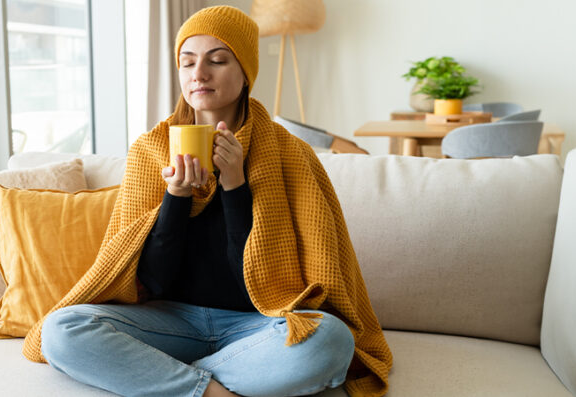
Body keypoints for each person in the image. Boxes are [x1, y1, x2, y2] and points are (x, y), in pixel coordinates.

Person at [25, 6, 392, 397]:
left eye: (217, 60)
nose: (199, 74)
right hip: (168, 321)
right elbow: (151, 280)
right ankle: (214, 390)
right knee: (63, 330)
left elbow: (263, 285)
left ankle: (160, 377)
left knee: (331, 340)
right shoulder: (151, 151)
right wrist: (176, 198)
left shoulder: (290, 154)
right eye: (187, 63)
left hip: (258, 324)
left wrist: (234, 185)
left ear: (246, 72)